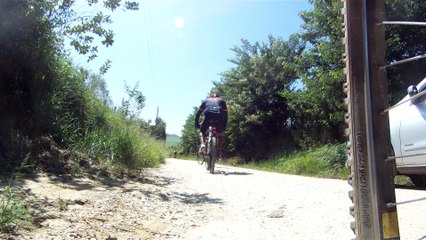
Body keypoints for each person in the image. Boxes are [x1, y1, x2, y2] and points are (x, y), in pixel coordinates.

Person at [195, 92, 228, 160]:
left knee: (202, 131)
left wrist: (196, 123)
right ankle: (219, 153)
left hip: (208, 115)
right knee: (221, 135)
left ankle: (203, 144)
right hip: (219, 117)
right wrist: (224, 125)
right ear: (218, 96)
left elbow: (198, 113)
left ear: (211, 96)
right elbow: (226, 114)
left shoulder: (206, 100)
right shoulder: (222, 101)